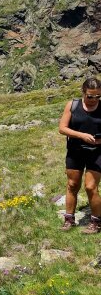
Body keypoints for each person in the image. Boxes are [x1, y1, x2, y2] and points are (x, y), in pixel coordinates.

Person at [59, 77, 101, 232]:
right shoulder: (72, 105)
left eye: (98, 96)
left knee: (90, 187)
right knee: (72, 185)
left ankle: (96, 222)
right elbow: (62, 128)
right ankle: (69, 219)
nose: (93, 100)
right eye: (90, 96)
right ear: (83, 92)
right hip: (75, 151)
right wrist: (81, 135)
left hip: (96, 152)